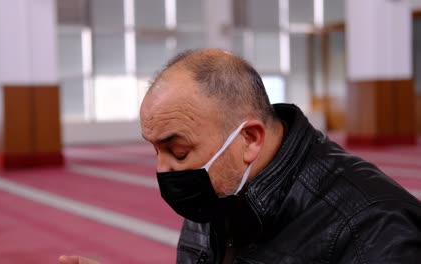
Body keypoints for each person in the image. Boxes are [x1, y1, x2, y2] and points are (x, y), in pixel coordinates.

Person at [59, 49, 421, 264]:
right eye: (155, 151)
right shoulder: (221, 186)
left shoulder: (373, 228)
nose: (163, 169)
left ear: (249, 139)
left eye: (178, 151)